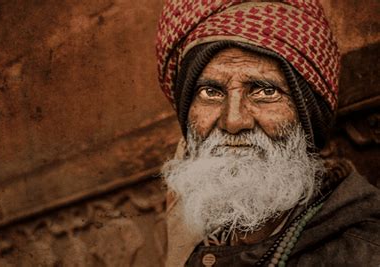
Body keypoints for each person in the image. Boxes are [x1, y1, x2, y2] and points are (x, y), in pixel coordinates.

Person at [155, 1, 380, 266]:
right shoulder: (196, 236)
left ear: (306, 118)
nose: (233, 121)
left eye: (265, 91)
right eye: (210, 92)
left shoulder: (365, 250)